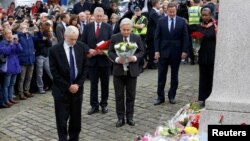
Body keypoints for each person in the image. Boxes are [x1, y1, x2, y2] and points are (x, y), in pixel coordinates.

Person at [49, 26, 88, 141]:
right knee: (61, 120)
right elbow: (54, 72)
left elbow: (85, 68)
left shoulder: (80, 47)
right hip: (61, 91)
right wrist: (68, 86)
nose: (74, 42)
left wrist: (78, 85)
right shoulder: (54, 50)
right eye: (71, 39)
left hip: (77, 90)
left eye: (76, 39)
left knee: (76, 120)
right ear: (65, 36)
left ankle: (74, 138)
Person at [108, 18, 144, 127]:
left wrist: (135, 57)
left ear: (132, 29)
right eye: (124, 30)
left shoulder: (136, 37)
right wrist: (117, 59)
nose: (126, 32)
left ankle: (130, 117)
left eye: (128, 30)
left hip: (132, 71)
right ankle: (120, 118)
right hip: (118, 71)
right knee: (119, 96)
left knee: (131, 95)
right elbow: (110, 52)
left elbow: (142, 51)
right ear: (120, 28)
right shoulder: (115, 37)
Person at [154, 2, 189, 105]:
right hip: (163, 52)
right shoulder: (161, 21)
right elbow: (157, 37)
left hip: (176, 52)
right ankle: (160, 97)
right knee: (161, 75)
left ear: (176, 10)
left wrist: (184, 51)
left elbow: (185, 37)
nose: (172, 13)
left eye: (174, 11)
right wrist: (156, 51)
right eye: (170, 12)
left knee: (174, 75)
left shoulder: (182, 21)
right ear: (166, 11)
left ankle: (172, 95)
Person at [82, 7, 112, 115]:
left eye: (101, 16)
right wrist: (89, 50)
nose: (99, 18)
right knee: (93, 84)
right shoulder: (87, 27)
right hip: (92, 60)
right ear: (93, 16)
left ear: (103, 16)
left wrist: (103, 51)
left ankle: (104, 104)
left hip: (104, 61)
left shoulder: (108, 27)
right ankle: (94, 105)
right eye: (97, 16)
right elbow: (82, 42)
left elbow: (111, 43)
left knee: (105, 84)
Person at [197, 8, 217, 107]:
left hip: (212, 54)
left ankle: (212, 96)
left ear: (210, 15)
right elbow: (196, 39)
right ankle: (204, 98)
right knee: (203, 78)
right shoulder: (199, 26)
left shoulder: (215, 25)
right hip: (202, 54)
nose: (204, 17)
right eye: (203, 15)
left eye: (206, 15)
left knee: (211, 77)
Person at [0, 29, 23, 108]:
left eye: (11, 33)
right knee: (6, 85)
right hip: (8, 66)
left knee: (12, 83)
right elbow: (6, 51)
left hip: (15, 65)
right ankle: (5, 100)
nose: (10, 35)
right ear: (5, 34)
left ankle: (10, 98)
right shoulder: (3, 43)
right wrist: (10, 44)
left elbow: (20, 50)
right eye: (9, 33)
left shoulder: (13, 42)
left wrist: (17, 43)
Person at [17, 24, 35, 100]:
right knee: (22, 78)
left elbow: (39, 38)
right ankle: (20, 93)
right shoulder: (19, 36)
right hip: (23, 60)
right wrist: (22, 32)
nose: (26, 29)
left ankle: (26, 90)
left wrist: (36, 30)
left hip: (31, 59)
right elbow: (16, 35)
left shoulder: (30, 36)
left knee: (29, 77)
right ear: (20, 29)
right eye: (24, 28)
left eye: (27, 28)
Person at [146, 0, 161, 69]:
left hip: (152, 34)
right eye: (159, 3)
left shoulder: (152, 11)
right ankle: (151, 64)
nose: (160, 5)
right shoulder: (153, 13)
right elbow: (158, 22)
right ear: (156, 4)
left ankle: (151, 63)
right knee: (152, 49)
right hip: (152, 34)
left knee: (152, 49)